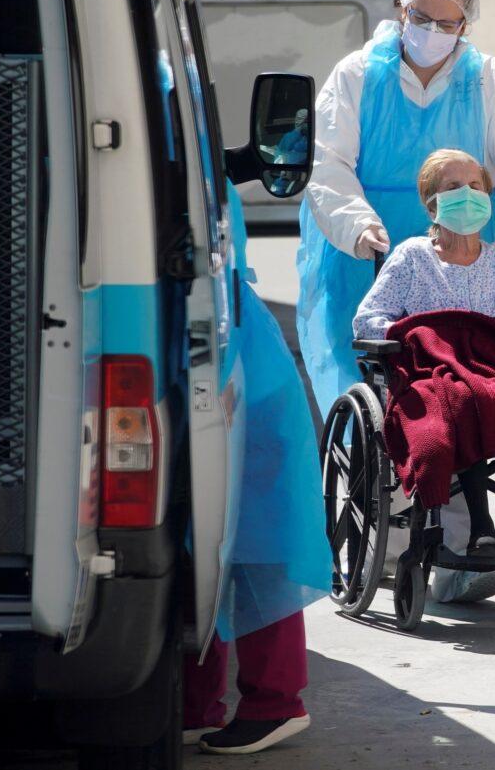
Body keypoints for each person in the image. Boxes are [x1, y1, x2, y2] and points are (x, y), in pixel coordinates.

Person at [301, 0, 495, 602]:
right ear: (401, 10)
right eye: (421, 17)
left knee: (462, 383)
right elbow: (328, 162)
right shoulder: (357, 76)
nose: (431, 30)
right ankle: (381, 537)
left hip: (462, 260)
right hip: (361, 254)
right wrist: (359, 228)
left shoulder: (489, 84)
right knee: (372, 381)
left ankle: (461, 544)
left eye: (447, 22)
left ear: (465, 25)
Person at [354, 149, 495, 554]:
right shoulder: (413, 258)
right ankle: (481, 526)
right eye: (453, 187)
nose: (468, 194)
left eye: (476, 186)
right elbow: (368, 319)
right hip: (444, 375)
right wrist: (419, 338)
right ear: (432, 204)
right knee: (461, 395)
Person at [181, 182, 332, 756]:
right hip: (234, 367)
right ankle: (197, 706)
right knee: (210, 555)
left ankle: (274, 702)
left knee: (253, 553)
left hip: (241, 386)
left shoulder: (198, 181)